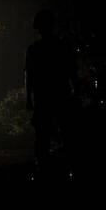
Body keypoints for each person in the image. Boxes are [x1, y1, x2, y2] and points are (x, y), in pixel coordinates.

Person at [25, 10, 79, 176]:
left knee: (44, 135)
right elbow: (72, 72)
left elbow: (29, 75)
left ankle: (44, 168)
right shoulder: (62, 46)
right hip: (60, 94)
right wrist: (75, 92)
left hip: (45, 96)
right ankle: (69, 166)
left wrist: (29, 98)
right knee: (65, 133)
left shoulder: (34, 49)